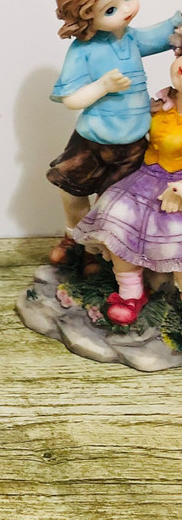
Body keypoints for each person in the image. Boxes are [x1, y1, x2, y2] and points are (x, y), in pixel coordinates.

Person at [47, 0, 182, 266]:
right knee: (71, 191)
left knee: (113, 205)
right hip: (92, 140)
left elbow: (163, 33)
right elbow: (71, 99)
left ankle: (102, 254)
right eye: (110, 9)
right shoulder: (83, 51)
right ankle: (74, 239)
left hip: (133, 145)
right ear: (83, 14)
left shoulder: (132, 39)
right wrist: (102, 87)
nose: (126, 10)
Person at [72, 28, 182, 324]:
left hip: (177, 188)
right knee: (114, 215)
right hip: (147, 178)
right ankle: (131, 291)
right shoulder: (163, 102)